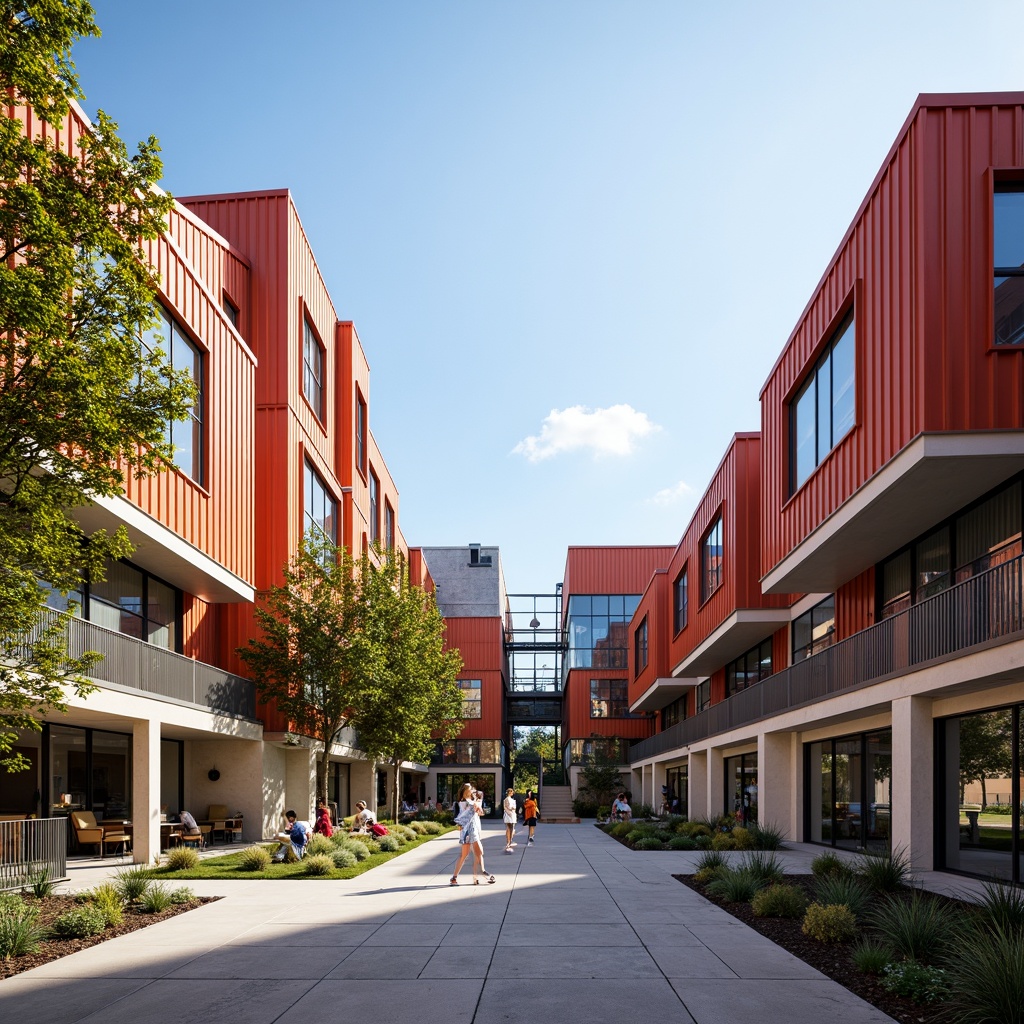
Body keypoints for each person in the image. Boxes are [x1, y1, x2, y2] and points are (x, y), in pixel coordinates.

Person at [450, 783, 494, 885]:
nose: (473, 790)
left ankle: (456, 877)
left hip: (471, 830)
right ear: (466, 791)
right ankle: (483, 873)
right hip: (469, 830)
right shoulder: (464, 803)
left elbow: (480, 813)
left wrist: (478, 804)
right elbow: (467, 813)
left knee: (467, 854)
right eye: (471, 789)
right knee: (477, 852)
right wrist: (477, 803)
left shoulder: (471, 802)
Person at [502, 787, 518, 853]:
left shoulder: (512, 800)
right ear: (509, 792)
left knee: (510, 828)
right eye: (511, 792)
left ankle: (509, 841)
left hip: (512, 814)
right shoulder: (506, 799)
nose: (512, 793)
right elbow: (506, 807)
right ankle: (509, 841)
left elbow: (513, 807)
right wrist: (510, 810)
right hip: (509, 815)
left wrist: (513, 809)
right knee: (510, 828)